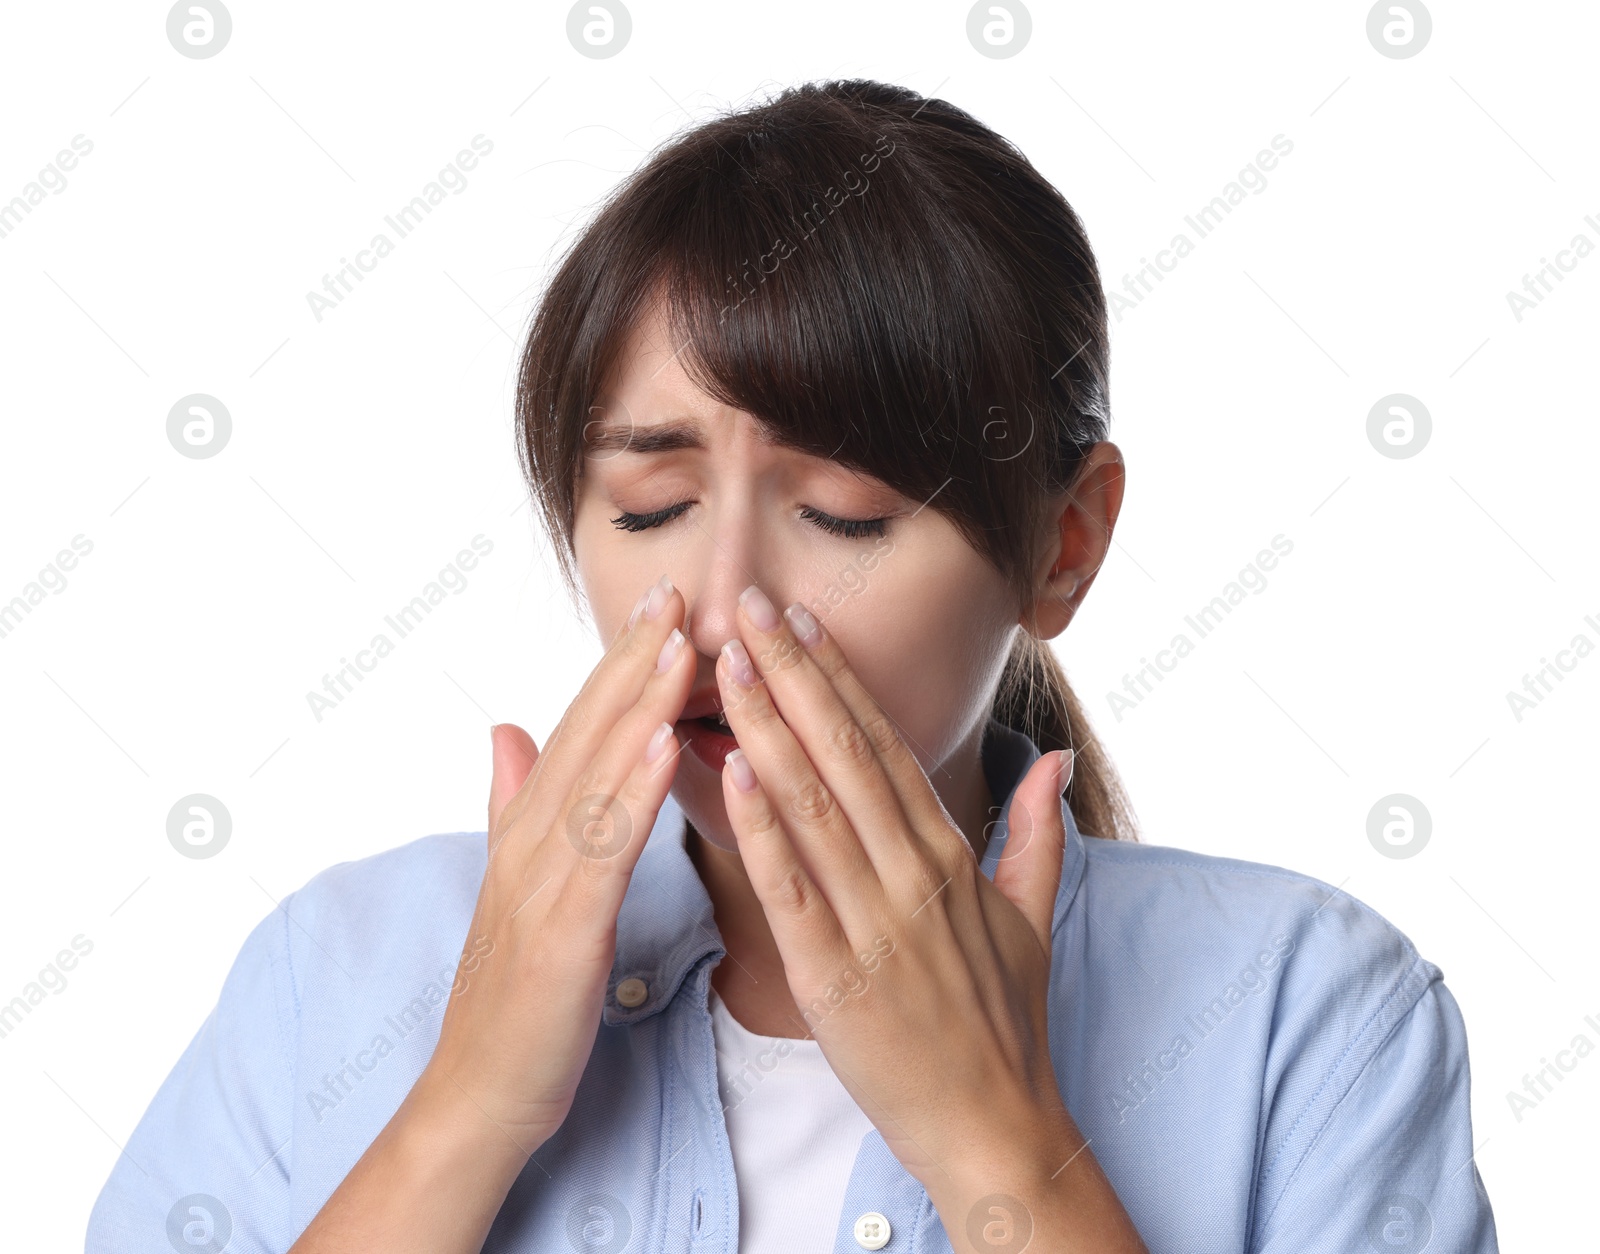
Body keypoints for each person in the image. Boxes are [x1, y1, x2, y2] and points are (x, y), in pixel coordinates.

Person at [87, 79, 1498, 1254]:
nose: (719, 603)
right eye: (649, 508)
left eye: (845, 516)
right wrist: (464, 1108)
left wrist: (991, 1134)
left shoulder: (1311, 1017)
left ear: (1063, 546)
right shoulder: (333, 979)